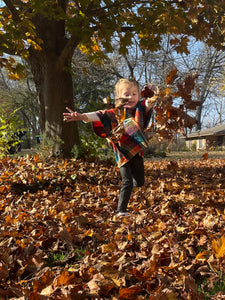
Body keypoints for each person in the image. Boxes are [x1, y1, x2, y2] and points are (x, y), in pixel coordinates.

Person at [63, 78, 156, 217]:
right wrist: (81, 116)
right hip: (122, 151)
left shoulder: (140, 108)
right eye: (126, 94)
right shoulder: (115, 113)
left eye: (134, 94)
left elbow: (149, 103)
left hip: (136, 149)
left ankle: (136, 190)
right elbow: (98, 115)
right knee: (127, 181)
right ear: (119, 97)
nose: (131, 97)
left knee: (140, 181)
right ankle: (121, 210)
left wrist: (154, 94)